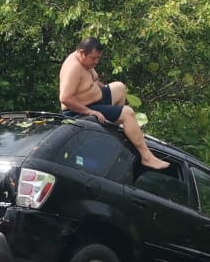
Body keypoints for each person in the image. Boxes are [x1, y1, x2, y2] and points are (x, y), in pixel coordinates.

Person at [59, 37, 170, 169]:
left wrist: (95, 75)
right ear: (82, 53)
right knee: (128, 113)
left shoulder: (81, 57)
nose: (96, 62)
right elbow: (65, 98)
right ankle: (147, 157)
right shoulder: (73, 68)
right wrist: (90, 111)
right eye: (93, 58)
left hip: (96, 99)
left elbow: (89, 80)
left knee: (120, 87)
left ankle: (119, 127)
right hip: (80, 110)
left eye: (98, 58)